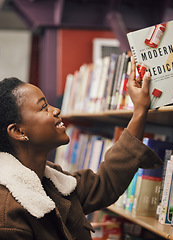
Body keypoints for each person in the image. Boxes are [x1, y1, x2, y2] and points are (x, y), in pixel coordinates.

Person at [0, 57, 162, 240]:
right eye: (44, 107)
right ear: (18, 131)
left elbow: (105, 183)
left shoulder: (52, 180)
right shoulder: (7, 216)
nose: (56, 110)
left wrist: (140, 110)